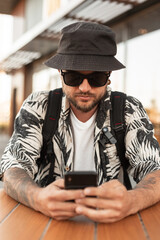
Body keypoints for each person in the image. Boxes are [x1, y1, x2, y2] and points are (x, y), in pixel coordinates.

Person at [0, 21, 160, 223]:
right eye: (74, 77)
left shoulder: (128, 108)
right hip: (46, 222)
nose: (84, 87)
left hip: (113, 224)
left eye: (97, 78)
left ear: (109, 77)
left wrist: (132, 200)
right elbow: (13, 167)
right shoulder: (38, 106)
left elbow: (154, 169)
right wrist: (38, 197)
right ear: (61, 73)